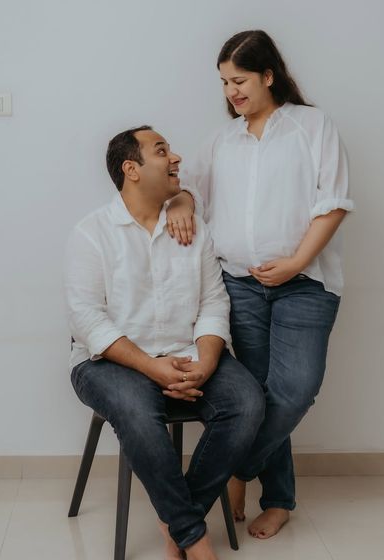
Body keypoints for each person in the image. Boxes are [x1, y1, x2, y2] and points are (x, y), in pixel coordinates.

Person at [166, 29, 354, 539]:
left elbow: (333, 202)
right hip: (239, 285)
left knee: (294, 391)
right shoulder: (221, 140)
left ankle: (233, 468)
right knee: (257, 393)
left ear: (268, 75)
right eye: (225, 82)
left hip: (306, 283)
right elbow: (185, 192)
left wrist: (295, 262)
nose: (231, 92)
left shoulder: (312, 126)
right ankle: (281, 499)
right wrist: (182, 202)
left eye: (240, 79)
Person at [65, 125, 265, 560]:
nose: (175, 158)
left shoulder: (193, 229)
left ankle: (177, 518)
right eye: (162, 151)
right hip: (106, 362)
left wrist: (208, 361)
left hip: (189, 353)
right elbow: (86, 320)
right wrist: (150, 367)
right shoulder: (91, 233)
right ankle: (193, 538)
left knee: (247, 403)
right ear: (131, 169)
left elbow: (214, 303)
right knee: (138, 408)